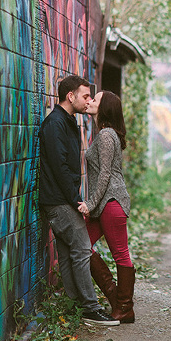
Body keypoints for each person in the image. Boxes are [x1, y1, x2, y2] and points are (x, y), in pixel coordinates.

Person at [39, 75, 119, 326]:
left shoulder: (69, 122)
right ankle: (90, 308)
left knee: (68, 253)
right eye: (85, 96)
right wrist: (76, 200)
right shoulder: (54, 124)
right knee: (83, 250)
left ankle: (76, 305)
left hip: (62, 199)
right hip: (59, 201)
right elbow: (60, 167)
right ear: (70, 96)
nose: (88, 101)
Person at [79, 91, 135, 323]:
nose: (90, 100)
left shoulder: (105, 135)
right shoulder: (104, 134)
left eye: (96, 99)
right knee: (82, 246)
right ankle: (115, 298)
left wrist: (90, 204)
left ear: (104, 108)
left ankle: (124, 307)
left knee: (120, 254)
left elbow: (104, 175)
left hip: (111, 202)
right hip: (104, 203)